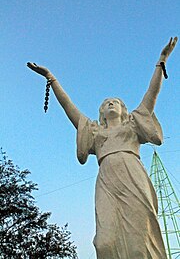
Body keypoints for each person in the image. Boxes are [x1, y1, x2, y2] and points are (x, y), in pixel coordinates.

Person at [27, 37, 178, 259]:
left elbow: (151, 95)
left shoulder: (133, 125)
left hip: (132, 176)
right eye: (106, 102)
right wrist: (52, 78)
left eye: (115, 102)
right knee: (104, 243)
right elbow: (70, 107)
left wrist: (161, 60)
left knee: (139, 244)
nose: (110, 103)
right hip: (107, 181)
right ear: (101, 112)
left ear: (123, 110)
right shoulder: (95, 133)